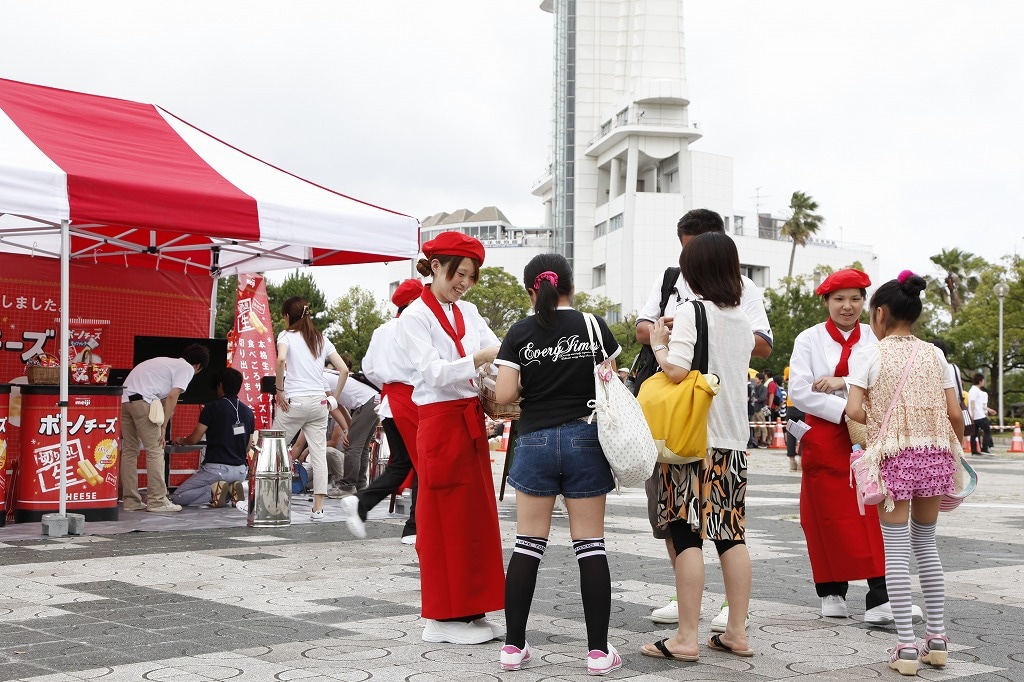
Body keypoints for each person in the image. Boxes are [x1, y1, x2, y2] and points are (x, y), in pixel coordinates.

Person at [636, 208, 772, 628]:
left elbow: (675, 371)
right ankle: (736, 631)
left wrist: (660, 343)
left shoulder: (694, 312)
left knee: (686, 535)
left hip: (691, 441)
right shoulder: (737, 319)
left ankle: (687, 636)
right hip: (732, 440)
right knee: (731, 536)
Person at [493, 253, 622, 675]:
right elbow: (610, 381)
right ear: (570, 284)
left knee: (527, 545)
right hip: (586, 437)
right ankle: (599, 653)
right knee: (590, 547)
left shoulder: (519, 332)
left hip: (533, 441)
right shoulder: (592, 325)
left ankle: (513, 647)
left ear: (533, 288)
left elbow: (505, 395)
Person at [845, 270, 965, 676]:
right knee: (926, 544)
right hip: (934, 456)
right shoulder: (936, 354)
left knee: (895, 550)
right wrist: (953, 446)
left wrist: (883, 421)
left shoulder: (869, 354)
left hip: (894, 459)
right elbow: (953, 413)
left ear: (879, 314)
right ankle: (937, 637)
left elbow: (854, 411)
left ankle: (907, 647)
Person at [789, 268, 923, 625]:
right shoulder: (809, 339)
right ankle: (831, 590)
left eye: (855, 298)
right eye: (839, 299)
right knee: (825, 515)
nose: (847, 306)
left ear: (867, 302)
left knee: (875, 512)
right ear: (826, 302)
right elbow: (800, 391)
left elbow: (888, 378)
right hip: (825, 435)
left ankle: (880, 594)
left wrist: (842, 385)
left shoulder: (875, 335)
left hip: (871, 433)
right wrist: (848, 409)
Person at [394, 231, 505, 645]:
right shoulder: (413, 317)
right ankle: (442, 616)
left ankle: (471, 611)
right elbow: (433, 372)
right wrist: (480, 359)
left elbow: (499, 348)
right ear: (436, 265)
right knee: (443, 521)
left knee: (474, 520)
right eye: (459, 273)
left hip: (470, 420)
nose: (464, 283)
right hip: (440, 422)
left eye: (471, 276)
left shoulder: (470, 311)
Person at [341, 278, 423, 544]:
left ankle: (362, 503)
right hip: (415, 400)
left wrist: (391, 385)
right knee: (424, 464)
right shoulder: (417, 327)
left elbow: (370, 369)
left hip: (389, 401)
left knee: (402, 462)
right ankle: (414, 525)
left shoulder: (382, 330)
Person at [274, 296, 348, 521]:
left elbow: (280, 361)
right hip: (319, 404)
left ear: (287, 316)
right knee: (318, 455)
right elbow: (343, 369)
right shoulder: (321, 339)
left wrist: (279, 390)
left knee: (272, 448)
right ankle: (318, 508)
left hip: (294, 401)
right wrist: (333, 399)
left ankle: (266, 499)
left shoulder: (286, 335)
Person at [120, 343, 210, 513]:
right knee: (155, 450)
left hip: (124, 401)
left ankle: (131, 501)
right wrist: (163, 426)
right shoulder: (186, 368)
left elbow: (162, 396)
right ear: (198, 366)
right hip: (143, 402)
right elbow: (172, 396)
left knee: (129, 451)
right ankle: (157, 500)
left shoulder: (164, 363)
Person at [169, 368, 255, 508]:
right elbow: (248, 446)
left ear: (220, 385)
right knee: (226, 483)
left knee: (178, 497)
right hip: (240, 471)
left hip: (217, 469)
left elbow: (194, 439)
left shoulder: (212, 408)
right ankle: (231, 490)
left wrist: (181, 440)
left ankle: (214, 491)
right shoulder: (248, 412)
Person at [968, 373, 996, 455]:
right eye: (983, 380)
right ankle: (984, 448)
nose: (983, 382)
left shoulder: (975, 390)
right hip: (979, 415)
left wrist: (989, 410)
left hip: (977, 415)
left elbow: (980, 405)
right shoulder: (974, 390)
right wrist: (972, 414)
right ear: (980, 381)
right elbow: (972, 403)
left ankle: (974, 451)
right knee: (987, 430)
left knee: (974, 433)